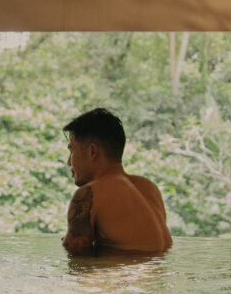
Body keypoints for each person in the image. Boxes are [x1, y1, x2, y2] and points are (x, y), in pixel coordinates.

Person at [61, 108, 172, 255]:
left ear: (92, 151)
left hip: (123, 276)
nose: (69, 162)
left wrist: (68, 241)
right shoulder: (148, 187)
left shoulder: (89, 194)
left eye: (72, 151)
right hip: (158, 275)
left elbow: (78, 261)